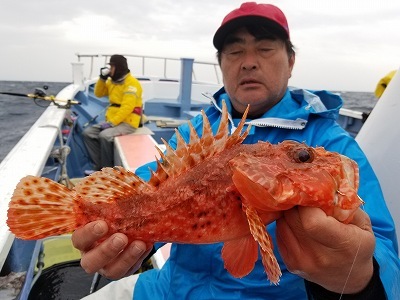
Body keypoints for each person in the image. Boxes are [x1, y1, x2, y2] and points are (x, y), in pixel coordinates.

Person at [73, 3, 400, 299]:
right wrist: (123, 246)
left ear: (290, 61)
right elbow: (151, 190)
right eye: (234, 52)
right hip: (167, 289)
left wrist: (361, 279)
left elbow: (383, 248)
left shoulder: (329, 146)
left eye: (265, 49)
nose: (248, 63)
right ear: (221, 64)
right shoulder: (196, 133)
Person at [82, 54, 143, 174]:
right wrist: (102, 79)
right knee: (87, 133)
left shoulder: (132, 84)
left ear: (118, 67)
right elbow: (99, 93)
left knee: (104, 136)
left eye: (112, 67)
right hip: (112, 120)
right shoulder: (112, 82)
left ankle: (107, 172)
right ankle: (98, 167)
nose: (110, 70)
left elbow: (127, 107)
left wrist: (111, 123)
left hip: (128, 122)